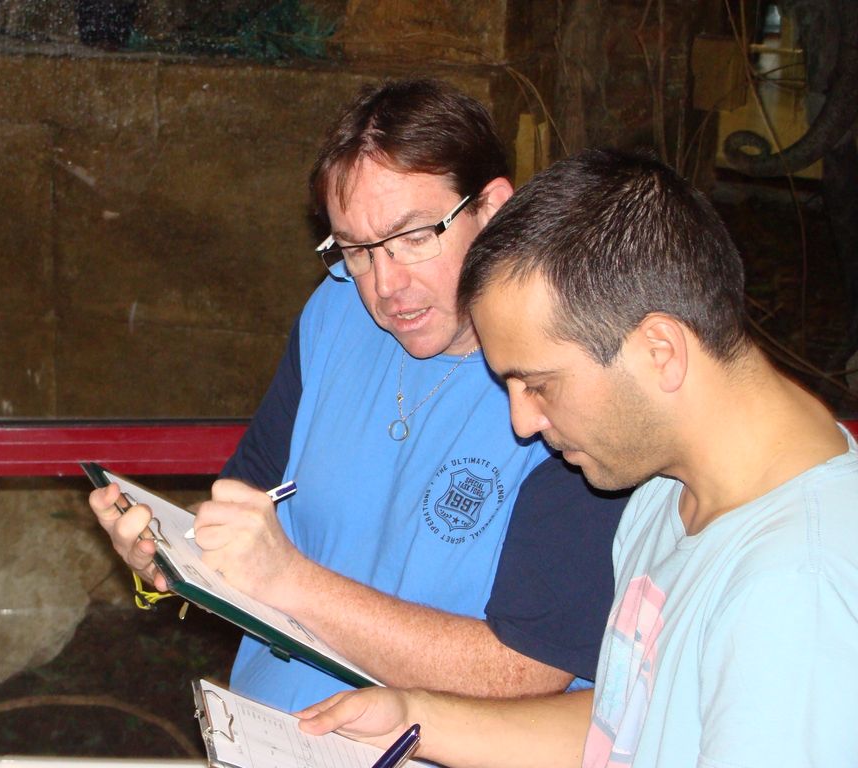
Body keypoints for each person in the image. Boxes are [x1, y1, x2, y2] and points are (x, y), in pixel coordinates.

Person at [297, 148, 858, 766]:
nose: (522, 421)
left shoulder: (796, 591)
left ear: (660, 351)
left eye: (538, 384)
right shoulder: (670, 488)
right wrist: (415, 719)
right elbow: (630, 722)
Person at [90, 80, 626, 714]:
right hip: (266, 734)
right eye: (356, 250)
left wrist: (290, 581)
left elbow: (526, 671)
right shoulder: (336, 310)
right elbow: (247, 500)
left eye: (414, 237)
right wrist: (171, 556)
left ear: (492, 208)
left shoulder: (566, 370)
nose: (386, 285)